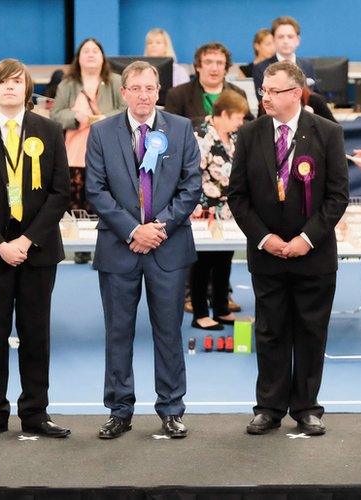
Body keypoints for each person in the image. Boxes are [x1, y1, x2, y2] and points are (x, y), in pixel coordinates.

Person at [229, 61, 349, 437]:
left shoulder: (327, 133)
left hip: (313, 255)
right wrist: (265, 239)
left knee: (311, 332)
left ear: (295, 94)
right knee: (270, 332)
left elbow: (337, 195)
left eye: (273, 91)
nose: (265, 97)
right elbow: (238, 196)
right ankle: (268, 407)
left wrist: (305, 239)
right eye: (263, 90)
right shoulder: (250, 135)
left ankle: (307, 407)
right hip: (267, 255)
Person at [85, 61, 202, 439]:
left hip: (168, 248)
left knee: (168, 331)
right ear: (124, 92)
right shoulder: (102, 132)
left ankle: (171, 409)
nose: (143, 96)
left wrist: (159, 228)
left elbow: (191, 186)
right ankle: (119, 410)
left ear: (159, 91)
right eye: (135, 88)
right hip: (120, 248)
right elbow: (96, 190)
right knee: (118, 332)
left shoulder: (181, 130)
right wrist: (133, 229)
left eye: (150, 88)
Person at [0, 59, 72, 439]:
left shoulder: (50, 131)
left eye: (17, 82)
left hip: (37, 251)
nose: (9, 87)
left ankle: (35, 412)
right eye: (2, 82)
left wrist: (26, 240)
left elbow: (60, 193)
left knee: (36, 333)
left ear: (27, 90)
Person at [50, 38, 126, 264]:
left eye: (95, 51)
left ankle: (103, 244)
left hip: (107, 149)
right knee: (76, 198)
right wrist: (74, 116)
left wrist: (104, 119)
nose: (91, 54)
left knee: (104, 198)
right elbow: (55, 115)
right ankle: (81, 248)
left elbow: (125, 109)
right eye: (86, 51)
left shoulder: (115, 81)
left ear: (103, 56)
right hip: (75, 149)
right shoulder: (67, 84)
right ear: (78, 58)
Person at [189, 90, 248, 331]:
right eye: (238, 118)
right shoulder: (200, 136)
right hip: (204, 209)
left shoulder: (233, 138)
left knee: (225, 259)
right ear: (224, 114)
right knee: (202, 263)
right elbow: (191, 173)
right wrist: (192, 204)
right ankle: (200, 313)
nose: (242, 123)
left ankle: (222, 308)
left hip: (229, 210)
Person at [165, 42, 251, 124]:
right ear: (198, 66)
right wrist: (204, 121)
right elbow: (171, 125)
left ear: (226, 69)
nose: (214, 68)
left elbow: (248, 124)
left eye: (220, 63)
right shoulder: (177, 94)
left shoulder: (238, 93)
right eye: (208, 62)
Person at [250, 16, 319, 97]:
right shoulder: (261, 68)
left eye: (290, 37)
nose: (285, 41)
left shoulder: (307, 65)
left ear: (298, 40)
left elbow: (316, 96)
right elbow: (263, 101)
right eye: (280, 37)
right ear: (273, 40)